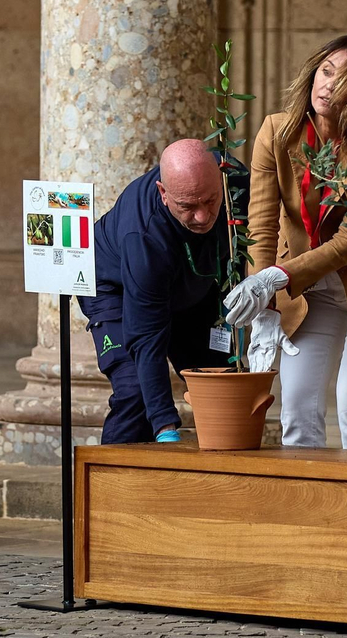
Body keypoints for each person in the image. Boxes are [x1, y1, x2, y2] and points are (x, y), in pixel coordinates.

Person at [223, 35, 347, 449]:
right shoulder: (277, 132)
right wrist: (264, 297)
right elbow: (261, 224)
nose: (328, 86)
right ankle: (308, 492)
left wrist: (276, 278)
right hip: (307, 288)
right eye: (326, 71)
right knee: (298, 407)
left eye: (345, 81)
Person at [79, 139, 279, 444]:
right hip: (116, 289)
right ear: (163, 193)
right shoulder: (144, 235)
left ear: (220, 179)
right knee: (137, 392)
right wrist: (165, 426)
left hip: (192, 285)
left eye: (210, 201)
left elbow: (267, 232)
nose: (202, 216)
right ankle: (116, 472)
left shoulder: (236, 182)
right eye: (187, 206)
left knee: (219, 384)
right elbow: (147, 335)